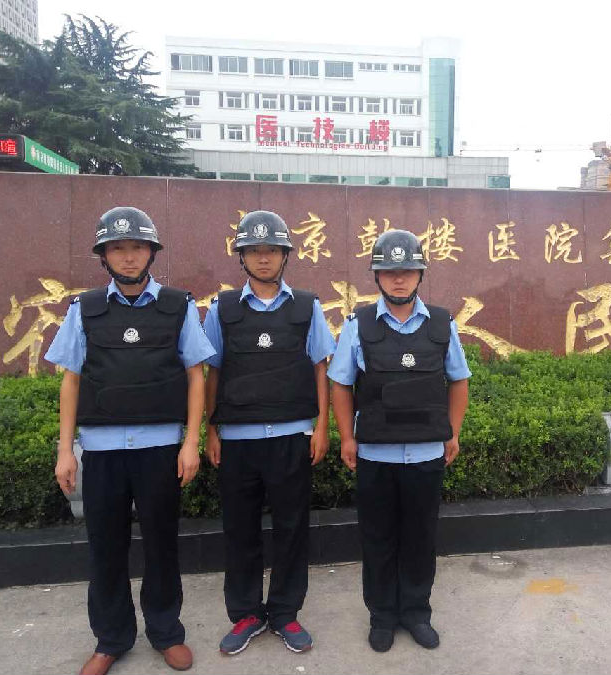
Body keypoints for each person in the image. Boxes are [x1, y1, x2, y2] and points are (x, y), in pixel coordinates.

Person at [47, 206, 215, 675]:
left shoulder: (178, 306)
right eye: (117, 248)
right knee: (105, 549)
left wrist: (191, 442)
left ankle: (166, 632)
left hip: (159, 450)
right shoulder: (84, 309)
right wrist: (66, 450)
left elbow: (196, 376)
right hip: (101, 452)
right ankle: (111, 639)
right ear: (103, 256)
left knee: (162, 545)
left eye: (136, 247)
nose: (127, 256)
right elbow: (71, 381)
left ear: (151, 253)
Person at [328, 229, 471, 653]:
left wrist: (453, 432)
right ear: (377, 276)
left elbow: (459, 380)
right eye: (389, 271)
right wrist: (346, 437)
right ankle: (382, 616)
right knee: (378, 539)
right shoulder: (357, 325)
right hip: (376, 454)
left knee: (420, 539)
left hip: (425, 453)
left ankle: (416, 612)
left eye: (407, 270)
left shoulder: (442, 323)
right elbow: (341, 385)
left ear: (420, 274)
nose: (398, 278)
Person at [203, 210, 335, 655]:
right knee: (240, 530)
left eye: (272, 251)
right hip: (238, 440)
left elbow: (321, 368)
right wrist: (211, 430)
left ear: (285, 256)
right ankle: (245, 614)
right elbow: (212, 371)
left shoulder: (307, 306)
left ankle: (284, 612)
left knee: (291, 528)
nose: (263, 258)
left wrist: (321, 427)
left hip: (291, 436)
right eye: (254, 251)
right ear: (241, 257)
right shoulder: (222, 309)